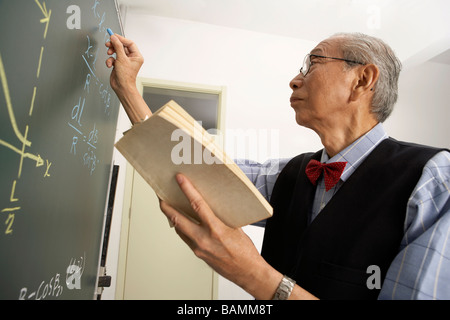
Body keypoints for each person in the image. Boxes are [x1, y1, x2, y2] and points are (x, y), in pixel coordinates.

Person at [106, 32, 450, 300]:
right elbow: (194, 171)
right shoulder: (291, 174)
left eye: (312, 64)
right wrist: (129, 91)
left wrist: (253, 274)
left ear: (362, 80)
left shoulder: (432, 180)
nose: (295, 79)